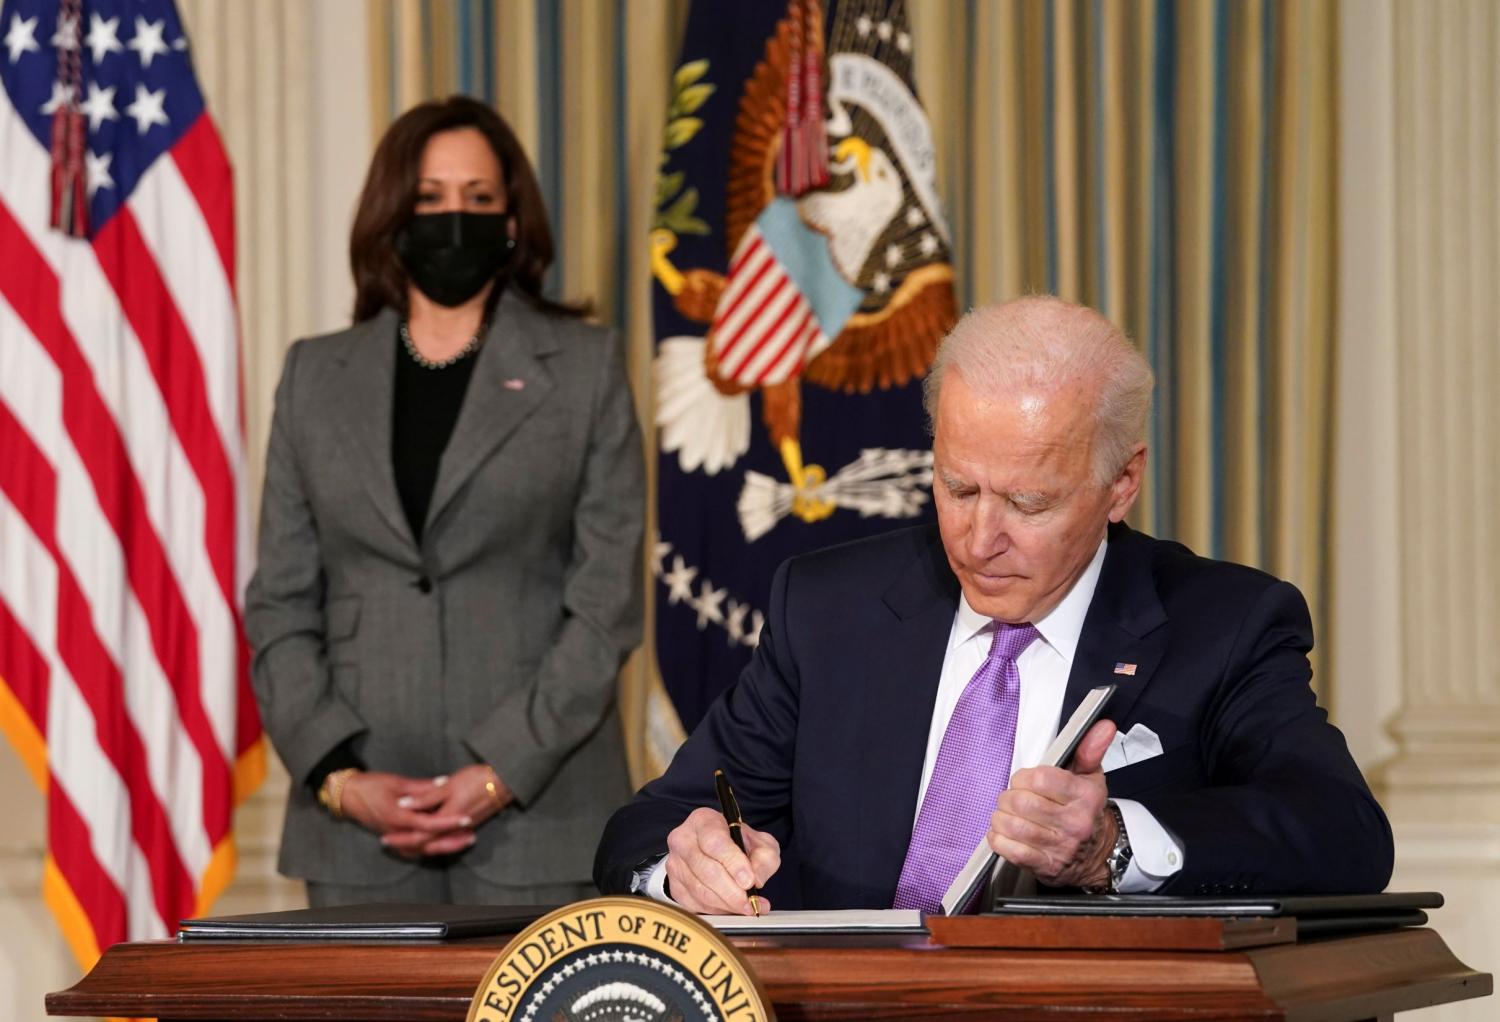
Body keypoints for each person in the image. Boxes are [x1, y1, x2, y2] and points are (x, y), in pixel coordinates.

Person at [594, 295, 1392, 914]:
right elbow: (654, 821)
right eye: (957, 487)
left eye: (1029, 503)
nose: (980, 538)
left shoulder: (1222, 625)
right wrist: (685, 867)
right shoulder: (831, 609)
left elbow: (1341, 832)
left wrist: (1113, 845)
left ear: (1123, 482)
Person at [246, 96, 644, 907]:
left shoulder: (585, 368)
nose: (452, 219)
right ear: (392, 214)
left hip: (542, 821)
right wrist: (339, 779)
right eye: (429, 199)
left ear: (511, 219)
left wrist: (499, 773)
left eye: (477, 198)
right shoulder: (314, 377)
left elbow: (605, 606)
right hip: (357, 838)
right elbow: (280, 606)